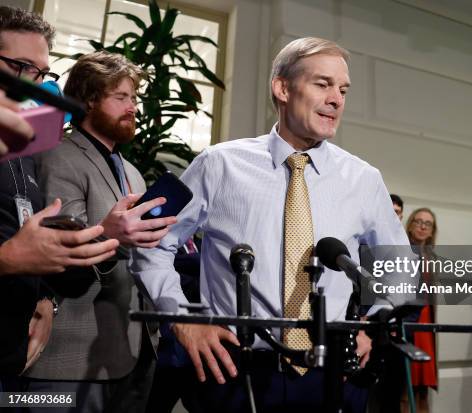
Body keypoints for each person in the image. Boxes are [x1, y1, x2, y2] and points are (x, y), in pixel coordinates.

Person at [132, 37, 413, 412]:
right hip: (234, 370)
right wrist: (183, 320)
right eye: (322, 84)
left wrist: (370, 329)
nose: (337, 99)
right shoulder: (219, 165)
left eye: (343, 89)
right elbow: (152, 243)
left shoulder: (364, 179)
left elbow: (400, 269)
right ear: (282, 88)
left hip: (331, 377)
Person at [23, 51, 176, 412]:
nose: (132, 106)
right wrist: (113, 234)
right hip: (70, 358)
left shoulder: (134, 172)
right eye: (120, 97)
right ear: (89, 99)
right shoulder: (57, 156)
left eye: (134, 98)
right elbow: (61, 250)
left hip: (132, 349)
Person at [0, 6, 118, 389]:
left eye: (42, 73)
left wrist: (47, 297)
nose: (36, 85)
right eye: (20, 67)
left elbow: (22, 233)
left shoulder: (23, 149)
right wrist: (8, 260)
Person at [405, 208, 437, 413]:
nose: (423, 226)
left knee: (422, 388)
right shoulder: (401, 251)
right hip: (407, 321)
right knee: (405, 385)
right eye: (419, 221)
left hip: (426, 323)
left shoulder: (432, 256)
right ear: (410, 224)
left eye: (428, 223)